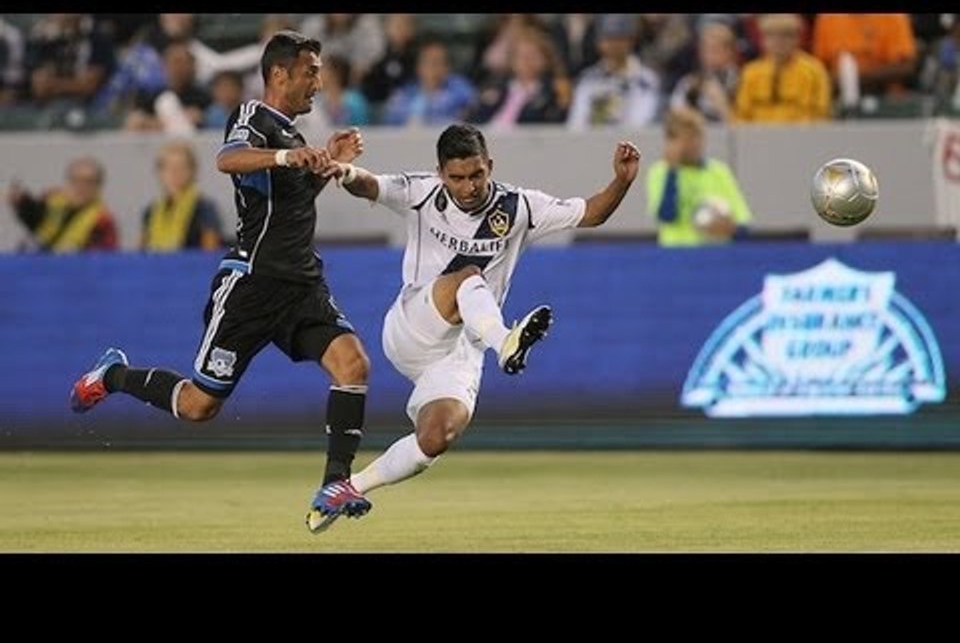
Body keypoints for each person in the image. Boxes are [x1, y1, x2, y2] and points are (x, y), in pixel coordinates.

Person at [70, 31, 375, 531]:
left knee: (353, 363)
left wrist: (328, 162)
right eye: (311, 71)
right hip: (251, 286)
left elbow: (288, 204)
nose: (319, 82)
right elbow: (226, 159)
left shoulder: (294, 138)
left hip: (301, 284)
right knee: (198, 406)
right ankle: (112, 375)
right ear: (279, 74)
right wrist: (286, 157)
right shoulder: (254, 117)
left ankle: (334, 484)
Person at [315, 123, 640, 530]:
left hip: (463, 349)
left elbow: (591, 213)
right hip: (414, 326)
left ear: (490, 165)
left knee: (437, 435)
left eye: (476, 175)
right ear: (440, 174)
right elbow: (369, 184)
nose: (468, 187)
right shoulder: (421, 193)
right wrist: (344, 171)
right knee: (469, 276)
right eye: (457, 178)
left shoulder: (519, 206)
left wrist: (621, 181)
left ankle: (347, 488)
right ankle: (506, 342)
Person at [646, 109, 752, 246]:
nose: (695, 144)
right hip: (675, 255)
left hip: (715, 255)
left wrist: (730, 229)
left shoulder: (719, 171)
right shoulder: (659, 172)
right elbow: (667, 216)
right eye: (688, 138)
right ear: (671, 142)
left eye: (698, 136)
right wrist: (672, 172)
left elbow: (744, 223)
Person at [7, 156, 118, 253]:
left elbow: (103, 258)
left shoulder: (103, 219)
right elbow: (34, 218)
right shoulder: (52, 199)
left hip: (72, 271)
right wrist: (22, 202)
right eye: (76, 180)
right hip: (39, 264)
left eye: (89, 181)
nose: (81, 186)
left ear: (99, 186)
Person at [141, 140, 224, 251]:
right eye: (168, 167)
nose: (174, 173)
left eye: (181, 167)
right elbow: (141, 254)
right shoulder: (150, 211)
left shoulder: (204, 208)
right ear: (160, 172)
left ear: (192, 171)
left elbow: (210, 253)